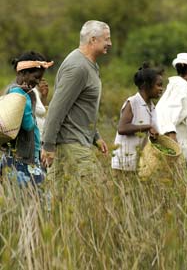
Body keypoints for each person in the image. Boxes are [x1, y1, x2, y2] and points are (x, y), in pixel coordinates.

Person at [41, 20, 112, 177]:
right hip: (70, 144)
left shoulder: (90, 65)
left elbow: (82, 106)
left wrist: (96, 137)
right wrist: (48, 145)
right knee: (93, 195)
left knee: (67, 199)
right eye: (106, 39)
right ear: (93, 39)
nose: (110, 43)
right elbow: (57, 107)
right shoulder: (77, 67)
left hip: (80, 141)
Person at [0, 51, 54, 186]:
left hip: (23, 155)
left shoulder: (16, 91)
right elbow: (28, 125)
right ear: (23, 73)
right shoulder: (19, 95)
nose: (37, 82)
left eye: (40, 78)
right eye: (36, 77)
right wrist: (28, 98)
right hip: (22, 157)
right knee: (33, 198)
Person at [111, 63, 164, 172]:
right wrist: (148, 127)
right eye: (158, 85)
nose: (161, 89)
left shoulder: (152, 107)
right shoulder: (133, 102)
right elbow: (122, 128)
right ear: (146, 85)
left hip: (140, 162)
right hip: (124, 163)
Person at [156, 52, 187, 164]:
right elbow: (168, 116)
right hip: (180, 155)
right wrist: (173, 148)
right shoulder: (181, 87)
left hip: (186, 154)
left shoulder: (178, 85)